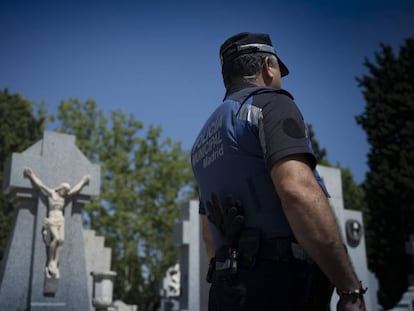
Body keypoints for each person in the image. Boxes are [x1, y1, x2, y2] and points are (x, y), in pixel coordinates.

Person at [191, 32, 366, 310]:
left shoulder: (202, 141)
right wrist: (349, 289)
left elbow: (207, 234)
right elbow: (297, 190)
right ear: (268, 66)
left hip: (227, 292)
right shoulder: (271, 103)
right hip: (283, 286)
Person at [24, 167, 91, 279]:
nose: (65, 192)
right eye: (64, 190)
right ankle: (51, 260)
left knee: (62, 241)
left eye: (66, 191)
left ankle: (55, 262)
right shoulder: (51, 193)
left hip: (61, 219)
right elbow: (40, 185)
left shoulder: (64, 197)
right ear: (60, 188)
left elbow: (75, 190)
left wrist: (83, 181)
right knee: (56, 238)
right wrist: (31, 175)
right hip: (52, 219)